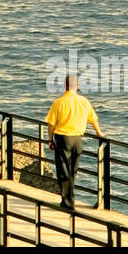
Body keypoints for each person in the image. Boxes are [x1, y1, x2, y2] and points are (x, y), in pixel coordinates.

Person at [44, 74, 105, 210]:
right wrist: (99, 132)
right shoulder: (84, 101)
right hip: (78, 139)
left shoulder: (59, 102)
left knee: (63, 170)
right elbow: (93, 118)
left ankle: (68, 202)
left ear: (65, 86)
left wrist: (50, 139)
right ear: (77, 86)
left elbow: (51, 124)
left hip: (63, 138)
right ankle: (69, 197)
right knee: (73, 170)